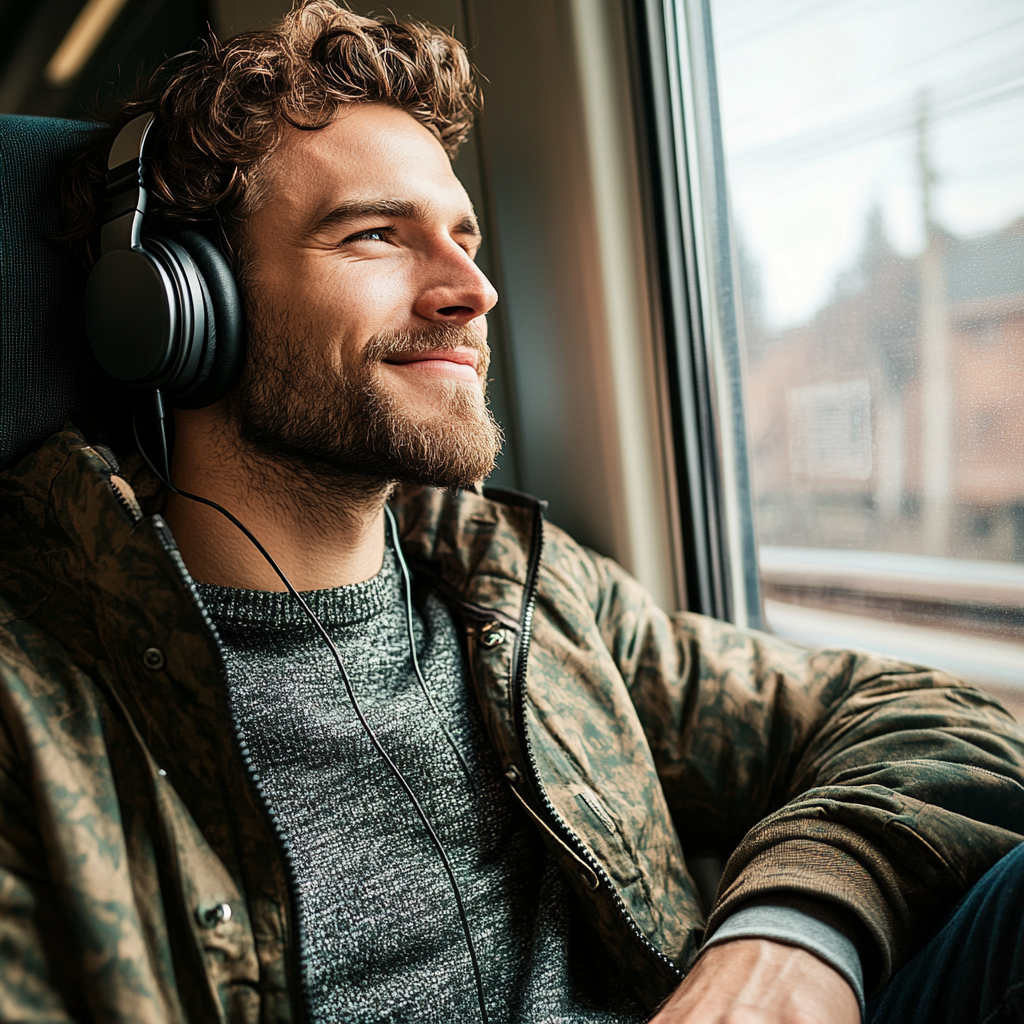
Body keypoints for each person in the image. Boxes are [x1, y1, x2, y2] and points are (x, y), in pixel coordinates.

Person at [1, 3, 1023, 1022]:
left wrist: (795, 932)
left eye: (462, 237)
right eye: (373, 234)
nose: (473, 289)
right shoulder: (35, 724)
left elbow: (946, 725)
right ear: (180, 305)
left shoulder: (520, 597)